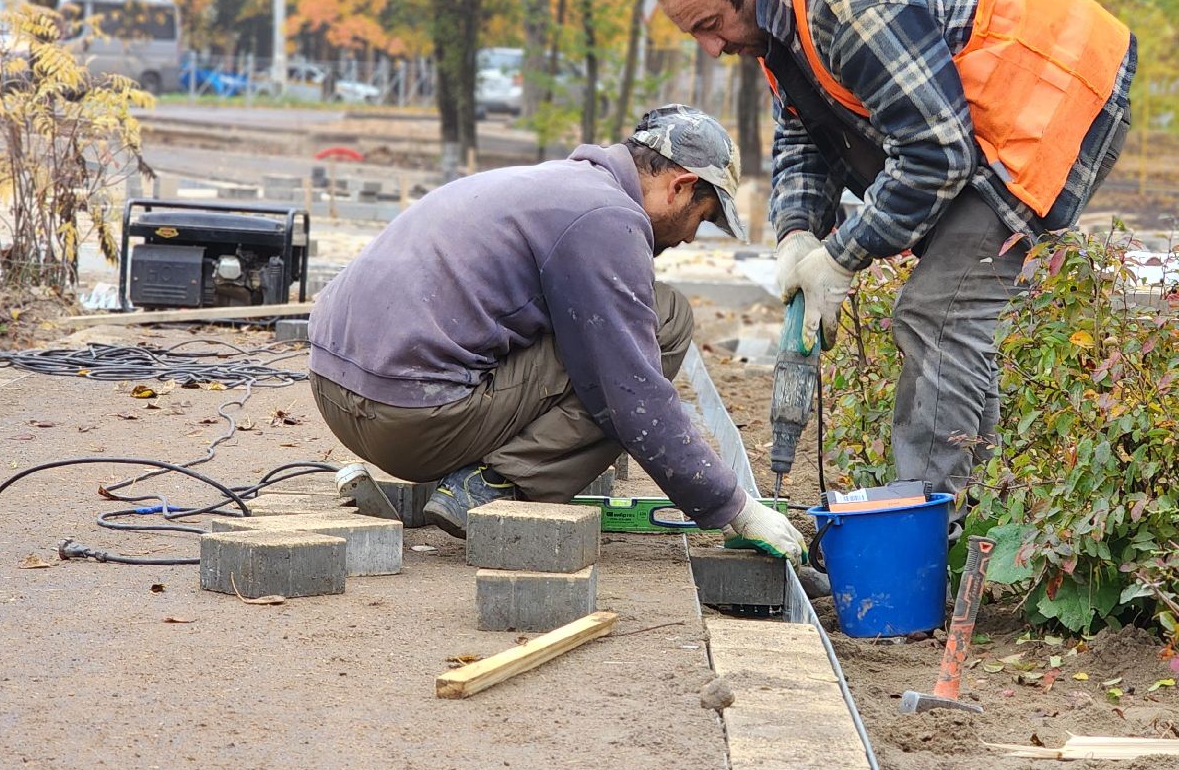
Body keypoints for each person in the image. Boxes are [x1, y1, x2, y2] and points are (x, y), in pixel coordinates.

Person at [638, 0, 1136, 508]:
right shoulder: (777, 12)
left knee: (937, 312)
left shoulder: (847, 3)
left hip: (1055, 91)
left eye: (711, 26)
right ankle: (978, 508)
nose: (713, 48)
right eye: (694, 35)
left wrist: (842, 255)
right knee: (948, 318)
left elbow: (937, 153)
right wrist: (797, 232)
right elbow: (806, 126)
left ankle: (925, 523)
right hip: (970, 121)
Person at [305, 105, 805, 559]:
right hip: (410, 420)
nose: (692, 236)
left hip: (333, 389)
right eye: (703, 216)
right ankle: (496, 484)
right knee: (665, 318)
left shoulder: (557, 185)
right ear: (680, 186)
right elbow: (633, 394)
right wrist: (733, 506)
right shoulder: (607, 218)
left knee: (608, 334)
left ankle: (490, 470)